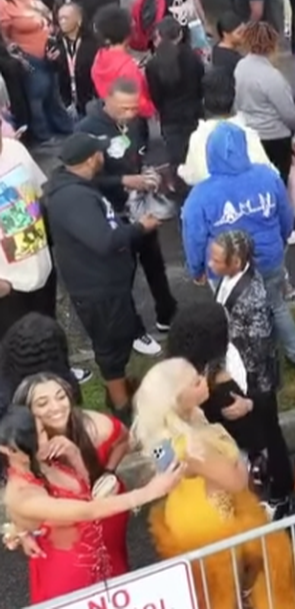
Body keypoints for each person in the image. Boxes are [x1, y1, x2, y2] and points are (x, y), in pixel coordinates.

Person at [135, 358, 295, 609]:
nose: (204, 380)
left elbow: (167, 469)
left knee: (208, 584)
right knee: (228, 584)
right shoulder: (196, 448)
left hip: (183, 510)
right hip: (214, 519)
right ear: (177, 400)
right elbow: (236, 481)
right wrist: (235, 456)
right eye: (196, 382)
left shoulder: (164, 437)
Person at [0, 405, 180, 605]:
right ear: (7, 450)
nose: (44, 440)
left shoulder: (44, 458)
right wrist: (149, 492)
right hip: (69, 579)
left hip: (103, 557)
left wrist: (74, 454)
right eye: (34, 439)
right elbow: (87, 510)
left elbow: (85, 491)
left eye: (42, 431)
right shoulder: (22, 495)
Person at [43, 132, 162, 418]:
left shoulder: (74, 183)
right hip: (98, 290)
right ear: (90, 159)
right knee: (110, 348)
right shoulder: (74, 198)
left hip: (105, 284)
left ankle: (120, 392)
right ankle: (121, 407)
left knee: (119, 339)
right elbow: (104, 241)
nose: (103, 155)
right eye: (99, 151)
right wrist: (140, 228)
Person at [181, 122, 295, 367]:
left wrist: (197, 269)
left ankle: (243, 364)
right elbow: (286, 216)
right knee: (277, 306)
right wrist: (280, 242)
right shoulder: (268, 176)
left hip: (227, 269)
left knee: (233, 317)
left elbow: (193, 236)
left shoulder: (201, 194)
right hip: (270, 259)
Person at [194, 229, 295, 516]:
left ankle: (281, 496)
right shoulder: (230, 279)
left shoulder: (254, 298)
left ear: (236, 262)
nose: (210, 264)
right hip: (237, 372)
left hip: (255, 385)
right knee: (254, 440)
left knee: (269, 438)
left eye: (216, 260)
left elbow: (261, 352)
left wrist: (251, 400)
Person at [76, 78, 179, 330]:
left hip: (140, 207)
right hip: (112, 214)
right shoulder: (87, 130)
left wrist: (148, 174)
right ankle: (129, 326)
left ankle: (167, 313)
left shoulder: (134, 123)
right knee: (122, 272)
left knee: (154, 262)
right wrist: (123, 180)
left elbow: (138, 155)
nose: (131, 113)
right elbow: (82, 178)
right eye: (124, 108)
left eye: (134, 107)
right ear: (107, 99)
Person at [16, 372, 131, 571]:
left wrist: (109, 470)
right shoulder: (20, 442)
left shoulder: (93, 425)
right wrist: (21, 530)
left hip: (102, 508)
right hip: (56, 525)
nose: (56, 407)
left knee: (109, 567)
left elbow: (124, 439)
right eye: (43, 403)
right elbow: (18, 489)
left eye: (61, 397)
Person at [0, 0, 75, 145]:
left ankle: (63, 126)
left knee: (53, 92)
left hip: (48, 51)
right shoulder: (3, 3)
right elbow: (4, 34)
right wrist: (13, 52)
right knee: (37, 94)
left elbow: (47, 13)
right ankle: (42, 135)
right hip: (28, 56)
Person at [0, 132, 55, 341]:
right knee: (17, 347)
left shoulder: (15, 149)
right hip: (9, 286)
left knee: (48, 334)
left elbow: (38, 194)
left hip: (42, 268)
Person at [234, 22, 295, 180]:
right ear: (272, 45)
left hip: (249, 135)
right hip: (275, 139)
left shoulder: (240, 67)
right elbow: (289, 114)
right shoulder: (272, 77)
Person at [178, 72, 272, 186]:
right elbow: (269, 173)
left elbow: (192, 177)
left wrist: (181, 169)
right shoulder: (248, 135)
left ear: (203, 102)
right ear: (234, 101)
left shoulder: (197, 138)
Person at [146, 16, 205, 181]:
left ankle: (179, 187)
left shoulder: (153, 65)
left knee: (177, 160)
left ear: (159, 36)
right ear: (180, 35)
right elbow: (201, 86)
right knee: (197, 154)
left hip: (170, 118)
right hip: (194, 113)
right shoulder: (193, 58)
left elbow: (155, 95)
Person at [90, 7, 153, 120]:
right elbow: (138, 101)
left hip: (110, 113)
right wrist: (153, 109)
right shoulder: (128, 67)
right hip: (131, 118)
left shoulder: (99, 57)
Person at [49, 2, 97, 119]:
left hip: (89, 99)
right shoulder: (56, 44)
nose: (62, 21)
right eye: (60, 18)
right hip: (67, 101)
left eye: (66, 18)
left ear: (79, 20)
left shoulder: (93, 43)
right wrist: (51, 61)